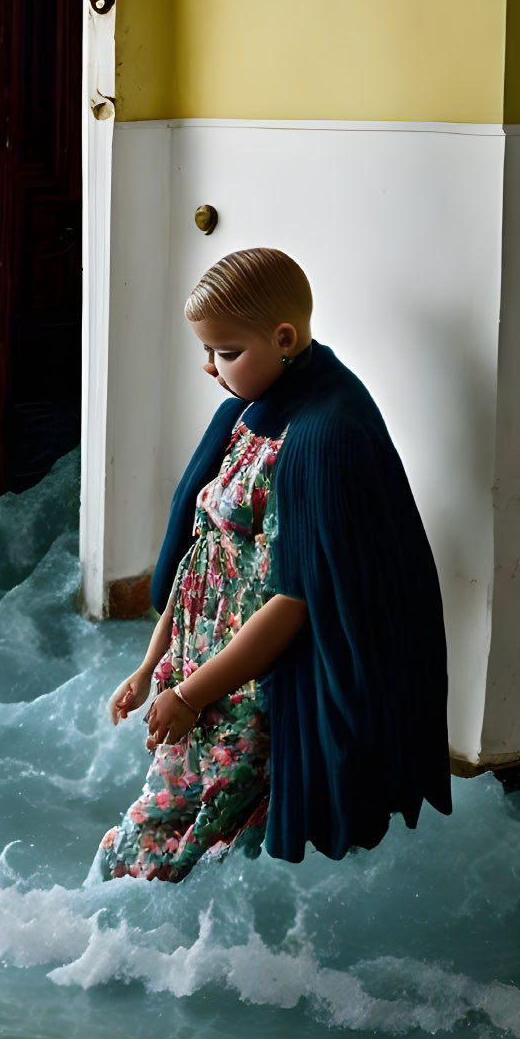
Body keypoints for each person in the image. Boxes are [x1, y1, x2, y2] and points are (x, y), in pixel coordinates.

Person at [93, 248, 450, 883]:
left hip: (248, 697)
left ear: (283, 338)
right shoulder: (246, 415)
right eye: (206, 352)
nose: (210, 368)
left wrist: (188, 693)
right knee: (165, 841)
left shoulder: (323, 436)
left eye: (226, 352)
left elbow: (295, 601)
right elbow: (202, 558)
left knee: (200, 853)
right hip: (199, 678)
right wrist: (154, 665)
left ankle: (167, 960)